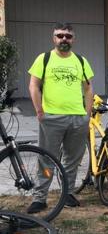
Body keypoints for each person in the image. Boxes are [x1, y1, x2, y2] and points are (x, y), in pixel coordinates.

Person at [27, 22, 95, 212]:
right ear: (54, 38)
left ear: (74, 39)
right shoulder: (44, 58)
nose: (64, 39)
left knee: (72, 159)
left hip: (77, 119)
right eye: (60, 35)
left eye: (68, 36)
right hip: (51, 118)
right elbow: (33, 85)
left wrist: (87, 114)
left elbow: (88, 88)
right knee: (47, 158)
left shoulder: (81, 61)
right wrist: (40, 111)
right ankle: (40, 197)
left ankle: (67, 193)